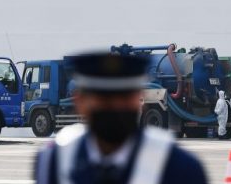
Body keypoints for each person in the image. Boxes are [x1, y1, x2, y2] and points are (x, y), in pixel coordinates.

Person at [33, 53, 208, 184]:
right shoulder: (53, 161)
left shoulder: (179, 167)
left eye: (124, 98)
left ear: (141, 100)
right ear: (80, 102)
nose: (115, 107)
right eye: (104, 100)